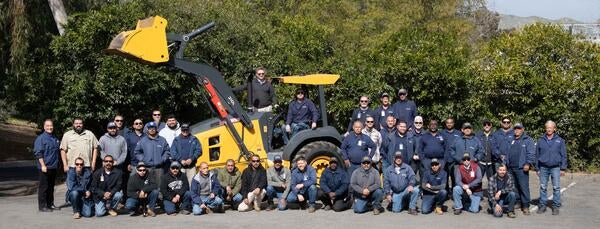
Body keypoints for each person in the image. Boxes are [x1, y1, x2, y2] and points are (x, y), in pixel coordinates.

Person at [536, 120, 567, 215]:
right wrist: (537, 168)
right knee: (543, 187)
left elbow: (564, 155)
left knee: (556, 188)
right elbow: (536, 155)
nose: (549, 129)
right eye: (547, 127)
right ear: (545, 128)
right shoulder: (540, 140)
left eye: (551, 127)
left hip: (555, 168)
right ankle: (542, 205)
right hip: (543, 167)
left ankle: (556, 206)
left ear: (554, 129)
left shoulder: (560, 141)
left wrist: (563, 168)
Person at [503, 123, 535, 215]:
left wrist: (528, 163)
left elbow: (531, 153)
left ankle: (525, 205)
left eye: (519, 128)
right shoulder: (510, 139)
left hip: (522, 168)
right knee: (514, 187)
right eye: (515, 129)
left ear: (523, 129)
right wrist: (505, 164)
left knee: (523, 187)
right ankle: (517, 202)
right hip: (510, 168)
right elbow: (507, 153)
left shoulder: (528, 140)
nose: (517, 130)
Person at [33, 119, 60, 212]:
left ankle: (50, 204)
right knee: (43, 187)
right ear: (44, 127)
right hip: (44, 167)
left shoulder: (55, 138)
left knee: (51, 187)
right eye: (47, 126)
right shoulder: (40, 138)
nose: (50, 127)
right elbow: (38, 153)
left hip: (53, 167)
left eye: (51, 125)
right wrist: (43, 165)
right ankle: (42, 206)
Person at [134, 121, 171, 190]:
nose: (152, 129)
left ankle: (160, 200)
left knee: (160, 187)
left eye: (153, 128)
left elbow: (167, 151)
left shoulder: (162, 140)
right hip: (147, 168)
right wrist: (143, 159)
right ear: (147, 129)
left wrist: (162, 159)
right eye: (150, 128)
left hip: (159, 168)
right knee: (148, 187)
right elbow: (137, 152)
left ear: (156, 129)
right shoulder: (143, 140)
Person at [448, 123, 484, 190]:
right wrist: (458, 159)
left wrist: (476, 158)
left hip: (472, 164)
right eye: (466, 128)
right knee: (457, 181)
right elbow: (451, 150)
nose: (467, 130)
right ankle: (457, 195)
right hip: (459, 164)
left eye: (469, 128)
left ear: (471, 130)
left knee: (474, 180)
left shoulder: (476, 140)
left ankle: (475, 194)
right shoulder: (457, 139)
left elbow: (481, 151)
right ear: (462, 130)